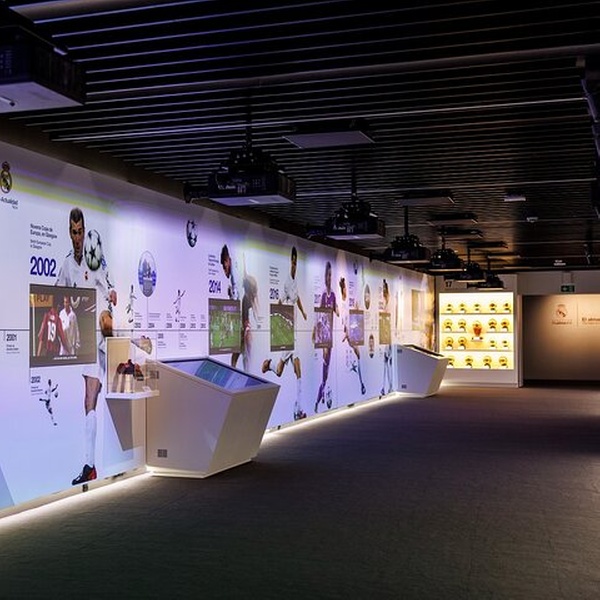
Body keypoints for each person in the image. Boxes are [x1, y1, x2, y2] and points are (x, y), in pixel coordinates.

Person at [56, 207, 117, 486]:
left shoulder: (97, 260)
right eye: (74, 232)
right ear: (69, 233)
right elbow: (58, 295)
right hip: (85, 340)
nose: (78, 236)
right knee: (89, 400)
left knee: (92, 398)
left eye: (80, 231)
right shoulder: (67, 264)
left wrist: (112, 296)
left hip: (100, 337)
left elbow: (110, 287)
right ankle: (91, 465)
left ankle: (92, 465)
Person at [262, 246, 308, 420]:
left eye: (296, 262)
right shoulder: (288, 282)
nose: (295, 265)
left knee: (292, 368)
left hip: (293, 331)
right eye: (293, 262)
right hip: (288, 332)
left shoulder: (294, 282)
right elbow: (280, 301)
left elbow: (297, 298)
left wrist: (303, 312)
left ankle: (299, 408)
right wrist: (277, 320)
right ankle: (269, 365)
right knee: (287, 368)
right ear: (291, 262)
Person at [314, 260, 339, 413]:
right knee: (325, 368)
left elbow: (337, 311)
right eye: (327, 275)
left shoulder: (333, 295)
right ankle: (319, 399)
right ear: (325, 277)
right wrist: (316, 333)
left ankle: (321, 396)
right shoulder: (324, 295)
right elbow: (319, 315)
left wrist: (338, 308)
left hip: (330, 337)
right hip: (325, 336)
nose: (329, 278)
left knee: (327, 371)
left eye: (331, 275)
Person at [339, 277, 366, 395]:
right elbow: (346, 326)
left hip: (352, 332)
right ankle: (361, 383)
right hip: (351, 334)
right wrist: (346, 334)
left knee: (358, 355)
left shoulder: (346, 305)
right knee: (357, 354)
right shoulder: (343, 305)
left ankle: (361, 383)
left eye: (345, 288)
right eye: (344, 289)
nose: (346, 291)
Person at [380, 278, 393, 396]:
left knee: (387, 361)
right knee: (385, 362)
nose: (383, 291)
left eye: (384, 289)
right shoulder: (385, 304)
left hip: (387, 336)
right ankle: (386, 386)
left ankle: (389, 386)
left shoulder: (388, 305)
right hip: (385, 336)